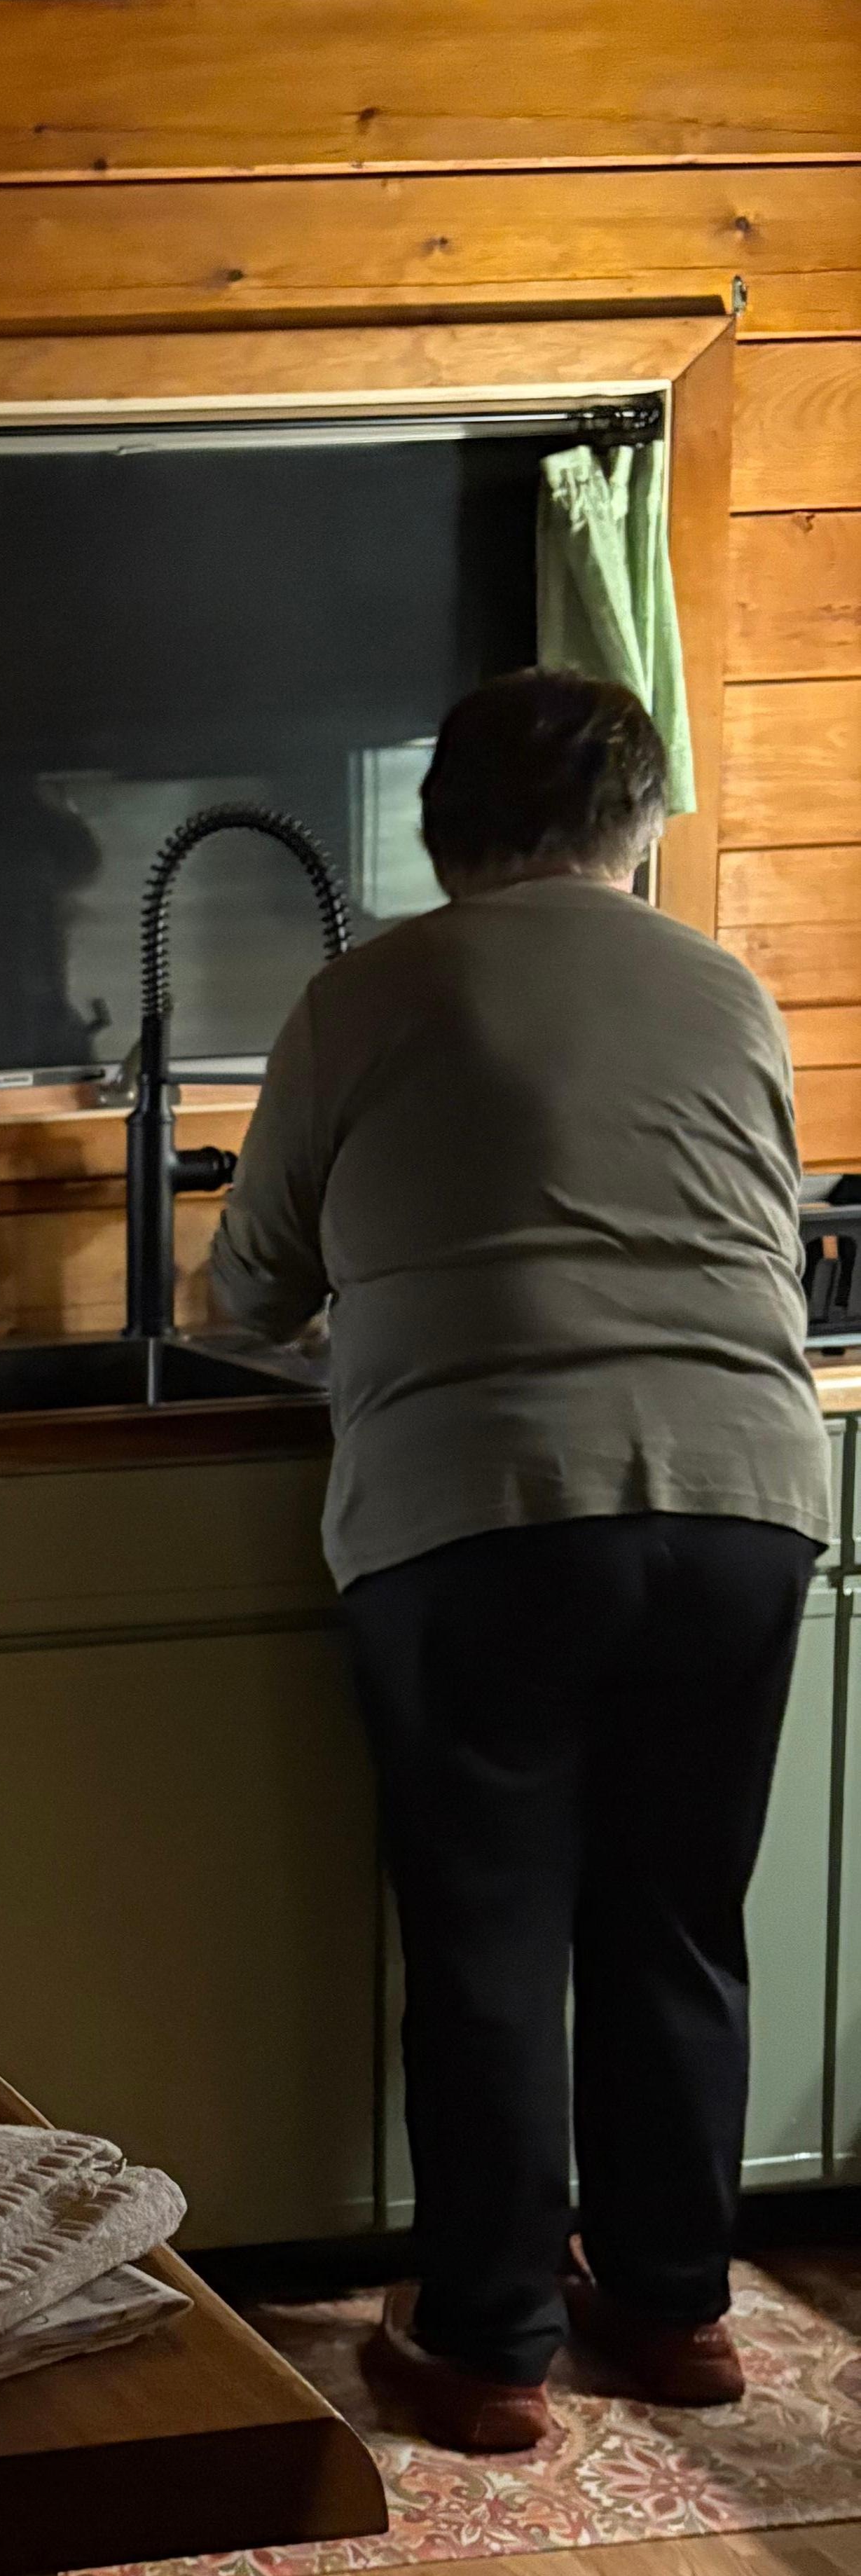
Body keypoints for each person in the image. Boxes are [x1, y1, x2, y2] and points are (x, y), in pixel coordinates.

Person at [209, 668, 831, 2457]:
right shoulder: (728, 991)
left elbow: (247, 1289)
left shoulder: (368, 992)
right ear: (642, 826)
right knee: (674, 1914)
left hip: (479, 1506)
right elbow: (763, 1235)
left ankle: (485, 2344)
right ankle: (674, 2304)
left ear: (440, 824)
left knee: (490, 1928)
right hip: (740, 1493)